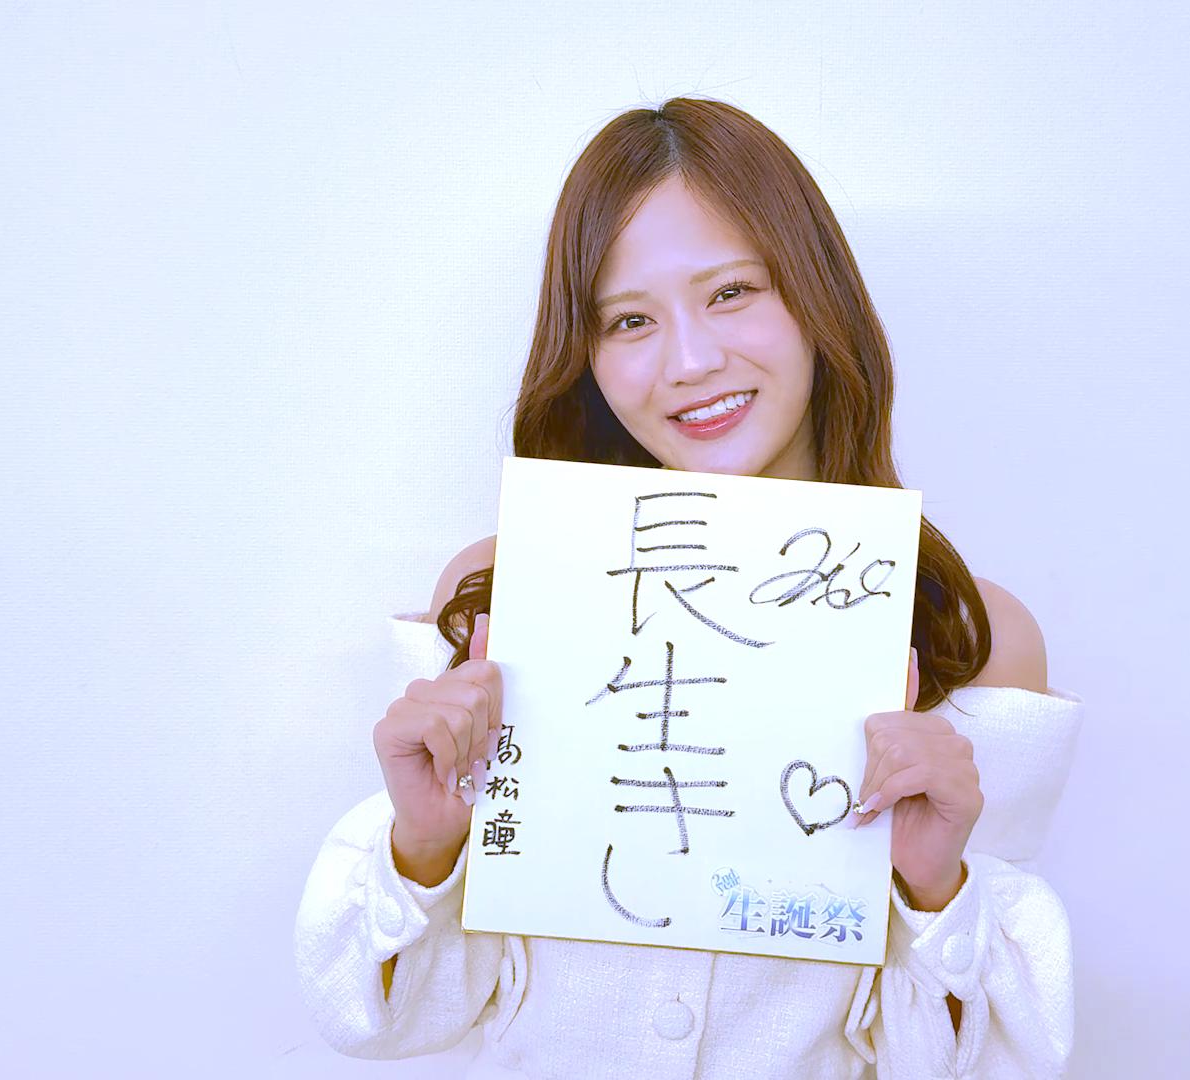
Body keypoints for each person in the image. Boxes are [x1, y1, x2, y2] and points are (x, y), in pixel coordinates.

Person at [294, 97, 1086, 1078]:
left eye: (732, 292)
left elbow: (991, 1064)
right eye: (630, 320)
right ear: (586, 355)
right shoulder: (500, 592)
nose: (692, 361)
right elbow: (386, 1024)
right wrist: (424, 844)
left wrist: (934, 889)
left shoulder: (974, 635)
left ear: (818, 299)